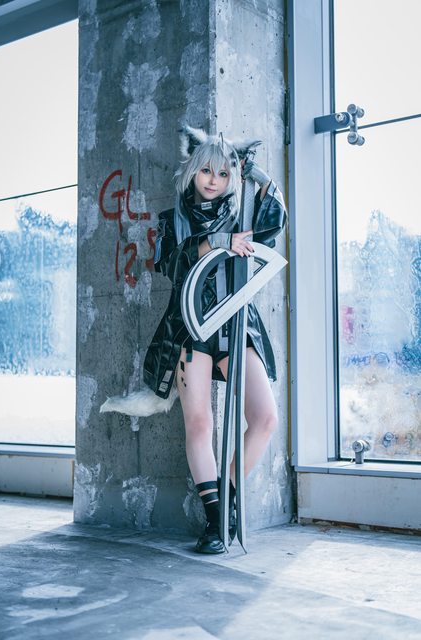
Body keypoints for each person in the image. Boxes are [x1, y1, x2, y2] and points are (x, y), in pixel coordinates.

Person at [143, 125, 287, 554]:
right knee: (200, 423)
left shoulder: (243, 214)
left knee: (265, 418)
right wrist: (216, 243)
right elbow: (170, 265)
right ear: (192, 168)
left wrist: (254, 173)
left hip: (236, 323)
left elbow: (275, 221)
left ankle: (226, 501)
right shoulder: (173, 220)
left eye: (224, 173)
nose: (213, 180)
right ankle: (214, 519)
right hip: (189, 327)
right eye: (206, 170)